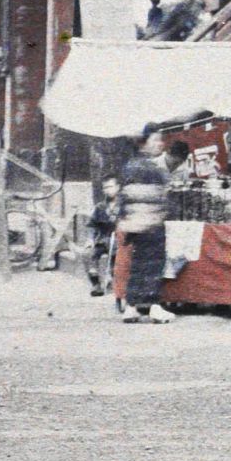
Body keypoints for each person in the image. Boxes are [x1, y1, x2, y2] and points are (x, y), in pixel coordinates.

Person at [117, 128, 175, 324]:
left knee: (138, 266)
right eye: (156, 140)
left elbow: (125, 198)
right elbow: (158, 197)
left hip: (134, 224)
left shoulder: (129, 166)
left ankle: (131, 307)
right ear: (144, 142)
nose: (160, 144)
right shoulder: (151, 168)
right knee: (153, 266)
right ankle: (154, 307)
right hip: (151, 223)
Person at [85, 175, 120, 299]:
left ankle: (114, 282)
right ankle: (96, 284)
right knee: (89, 254)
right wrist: (90, 239)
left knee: (116, 258)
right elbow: (91, 225)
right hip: (103, 239)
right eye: (105, 188)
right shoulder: (100, 207)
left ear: (117, 187)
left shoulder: (124, 206)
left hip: (120, 240)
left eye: (110, 187)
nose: (107, 190)